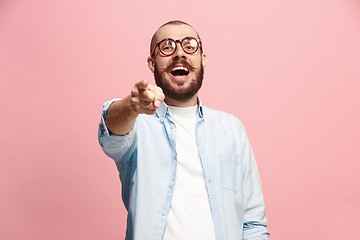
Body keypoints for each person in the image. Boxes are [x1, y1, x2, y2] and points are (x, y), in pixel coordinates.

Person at [98, 20, 269, 240]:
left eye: (189, 46)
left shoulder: (232, 129)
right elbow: (111, 135)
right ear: (152, 63)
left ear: (203, 60)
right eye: (167, 47)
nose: (179, 54)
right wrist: (132, 106)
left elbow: (252, 222)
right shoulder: (137, 123)